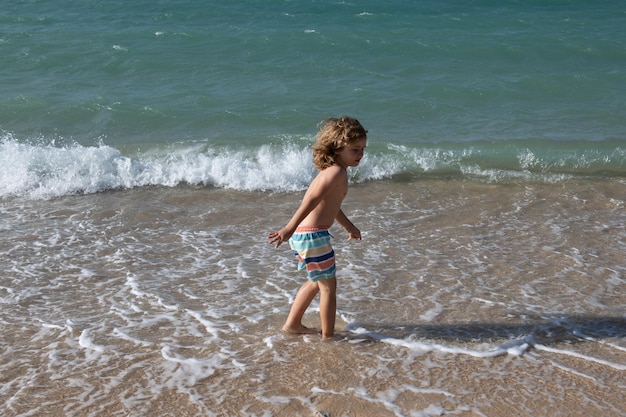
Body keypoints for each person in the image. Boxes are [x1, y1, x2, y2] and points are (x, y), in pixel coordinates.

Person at [268, 116, 367, 339]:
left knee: (316, 281)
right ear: (337, 148)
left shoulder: (334, 171)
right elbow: (311, 200)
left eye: (362, 149)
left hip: (307, 235)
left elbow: (332, 206)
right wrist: (288, 228)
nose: (360, 154)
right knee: (328, 287)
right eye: (355, 149)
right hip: (312, 235)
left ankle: (293, 325)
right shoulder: (336, 172)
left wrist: (349, 227)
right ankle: (328, 337)